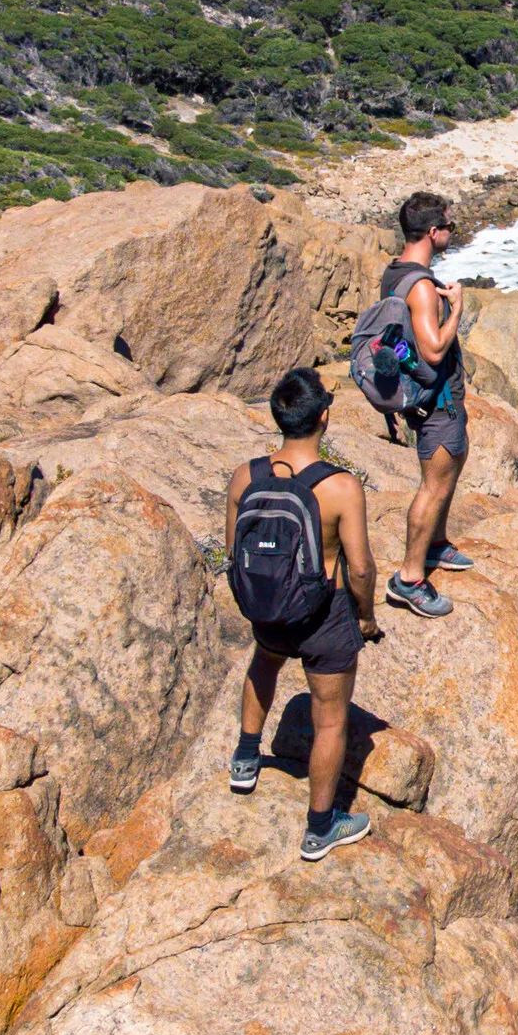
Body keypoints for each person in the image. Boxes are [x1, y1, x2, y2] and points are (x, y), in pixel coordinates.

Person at [226, 369, 381, 861]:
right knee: (330, 719)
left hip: (269, 606)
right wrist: (366, 616)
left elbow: (235, 549)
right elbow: (359, 569)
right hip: (323, 617)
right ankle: (321, 827)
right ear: (324, 418)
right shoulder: (340, 487)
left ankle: (246, 759)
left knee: (264, 664)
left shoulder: (246, 475)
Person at [377, 190, 474, 619]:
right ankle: (410, 580)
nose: (452, 230)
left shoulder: (396, 272)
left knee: (451, 465)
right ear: (433, 233)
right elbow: (433, 351)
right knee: (432, 486)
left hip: (432, 399)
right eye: (449, 225)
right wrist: (456, 309)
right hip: (436, 404)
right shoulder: (420, 286)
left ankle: (436, 543)